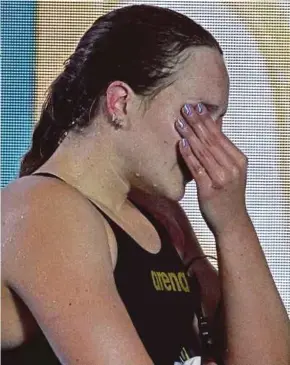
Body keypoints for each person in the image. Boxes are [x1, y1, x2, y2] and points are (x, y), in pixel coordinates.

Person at [1, 4, 289, 365]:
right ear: (120, 102)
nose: (213, 141)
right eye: (197, 114)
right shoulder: (43, 209)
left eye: (219, 122)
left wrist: (233, 224)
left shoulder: (159, 219)